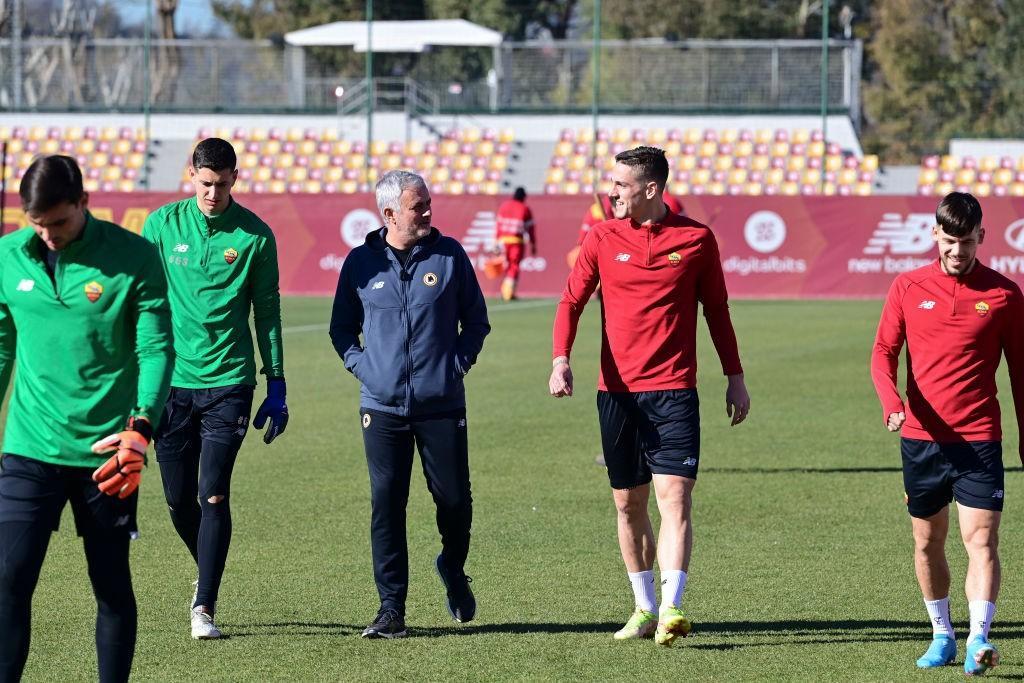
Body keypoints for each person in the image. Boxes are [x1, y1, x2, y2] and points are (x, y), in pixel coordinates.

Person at [548, 146, 750, 646]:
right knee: (626, 503)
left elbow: (718, 311)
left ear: (650, 189)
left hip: (675, 391)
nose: (610, 191)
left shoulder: (697, 239)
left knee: (674, 498)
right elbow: (572, 300)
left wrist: (735, 375)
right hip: (615, 393)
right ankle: (644, 608)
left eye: (620, 184)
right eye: (611, 182)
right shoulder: (601, 237)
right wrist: (560, 358)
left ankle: (673, 608)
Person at [0, 155, 173, 681]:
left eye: (60, 221)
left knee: (110, 583)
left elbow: (156, 350)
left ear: (84, 204)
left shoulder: (134, 257)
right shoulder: (6, 257)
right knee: (8, 578)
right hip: (29, 446)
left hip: (109, 451)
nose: (49, 234)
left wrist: (141, 428)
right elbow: (1, 346)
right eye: (38, 223)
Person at [330, 169, 490, 639]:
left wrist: (456, 365)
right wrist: (366, 369)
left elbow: (476, 323)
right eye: (417, 206)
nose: (427, 212)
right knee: (387, 504)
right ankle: (390, 608)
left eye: (427, 203)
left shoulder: (451, 255)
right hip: (380, 409)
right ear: (389, 214)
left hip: (441, 405)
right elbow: (342, 330)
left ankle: (453, 567)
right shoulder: (360, 264)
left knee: (455, 500)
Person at [142, 137, 288, 640]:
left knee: (213, 495)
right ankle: (208, 561)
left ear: (235, 179)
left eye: (222, 185)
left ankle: (204, 605)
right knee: (178, 501)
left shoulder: (255, 236)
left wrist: (277, 384)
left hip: (229, 382)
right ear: (192, 176)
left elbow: (266, 312)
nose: (213, 194)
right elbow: (140, 304)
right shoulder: (161, 226)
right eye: (206, 184)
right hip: (170, 386)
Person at [871, 192, 1022, 675]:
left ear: (983, 236)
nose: (958, 252)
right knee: (926, 542)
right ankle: (942, 635)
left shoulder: (1004, 295)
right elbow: (882, 354)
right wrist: (892, 403)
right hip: (921, 441)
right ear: (935, 233)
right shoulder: (908, 286)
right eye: (950, 240)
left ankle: (979, 637)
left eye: (967, 242)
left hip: (979, 440)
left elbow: (1022, 371)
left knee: (981, 539)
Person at [494, 187, 537, 301]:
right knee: (514, 266)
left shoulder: (504, 206)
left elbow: (498, 226)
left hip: (503, 241)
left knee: (507, 266)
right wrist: (533, 244)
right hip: (516, 242)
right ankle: (508, 292)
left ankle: (508, 291)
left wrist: (496, 242)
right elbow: (530, 229)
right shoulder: (524, 208)